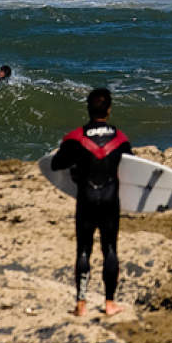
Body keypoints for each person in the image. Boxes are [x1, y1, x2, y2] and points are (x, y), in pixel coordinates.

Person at [50, 87, 132, 317]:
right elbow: (132, 167)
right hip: (109, 200)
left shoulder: (75, 138)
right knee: (110, 248)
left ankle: (81, 303)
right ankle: (109, 303)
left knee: (83, 249)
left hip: (86, 198)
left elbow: (56, 164)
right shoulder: (120, 138)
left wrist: (76, 167)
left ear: (87, 108)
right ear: (109, 110)